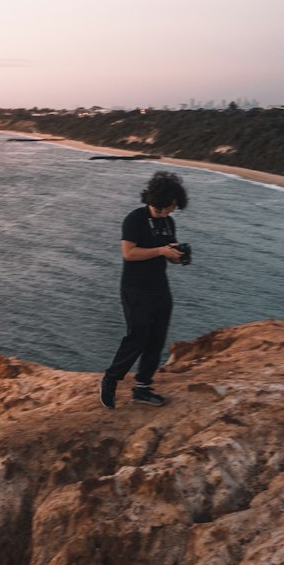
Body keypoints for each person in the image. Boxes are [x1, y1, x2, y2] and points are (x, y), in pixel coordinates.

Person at [100, 170, 189, 409]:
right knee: (137, 337)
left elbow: (168, 256)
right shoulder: (135, 219)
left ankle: (142, 387)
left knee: (156, 339)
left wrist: (177, 256)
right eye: (171, 204)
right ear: (160, 200)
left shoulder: (168, 222)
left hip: (160, 289)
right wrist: (161, 251)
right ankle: (111, 379)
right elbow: (128, 253)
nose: (173, 209)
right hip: (135, 289)